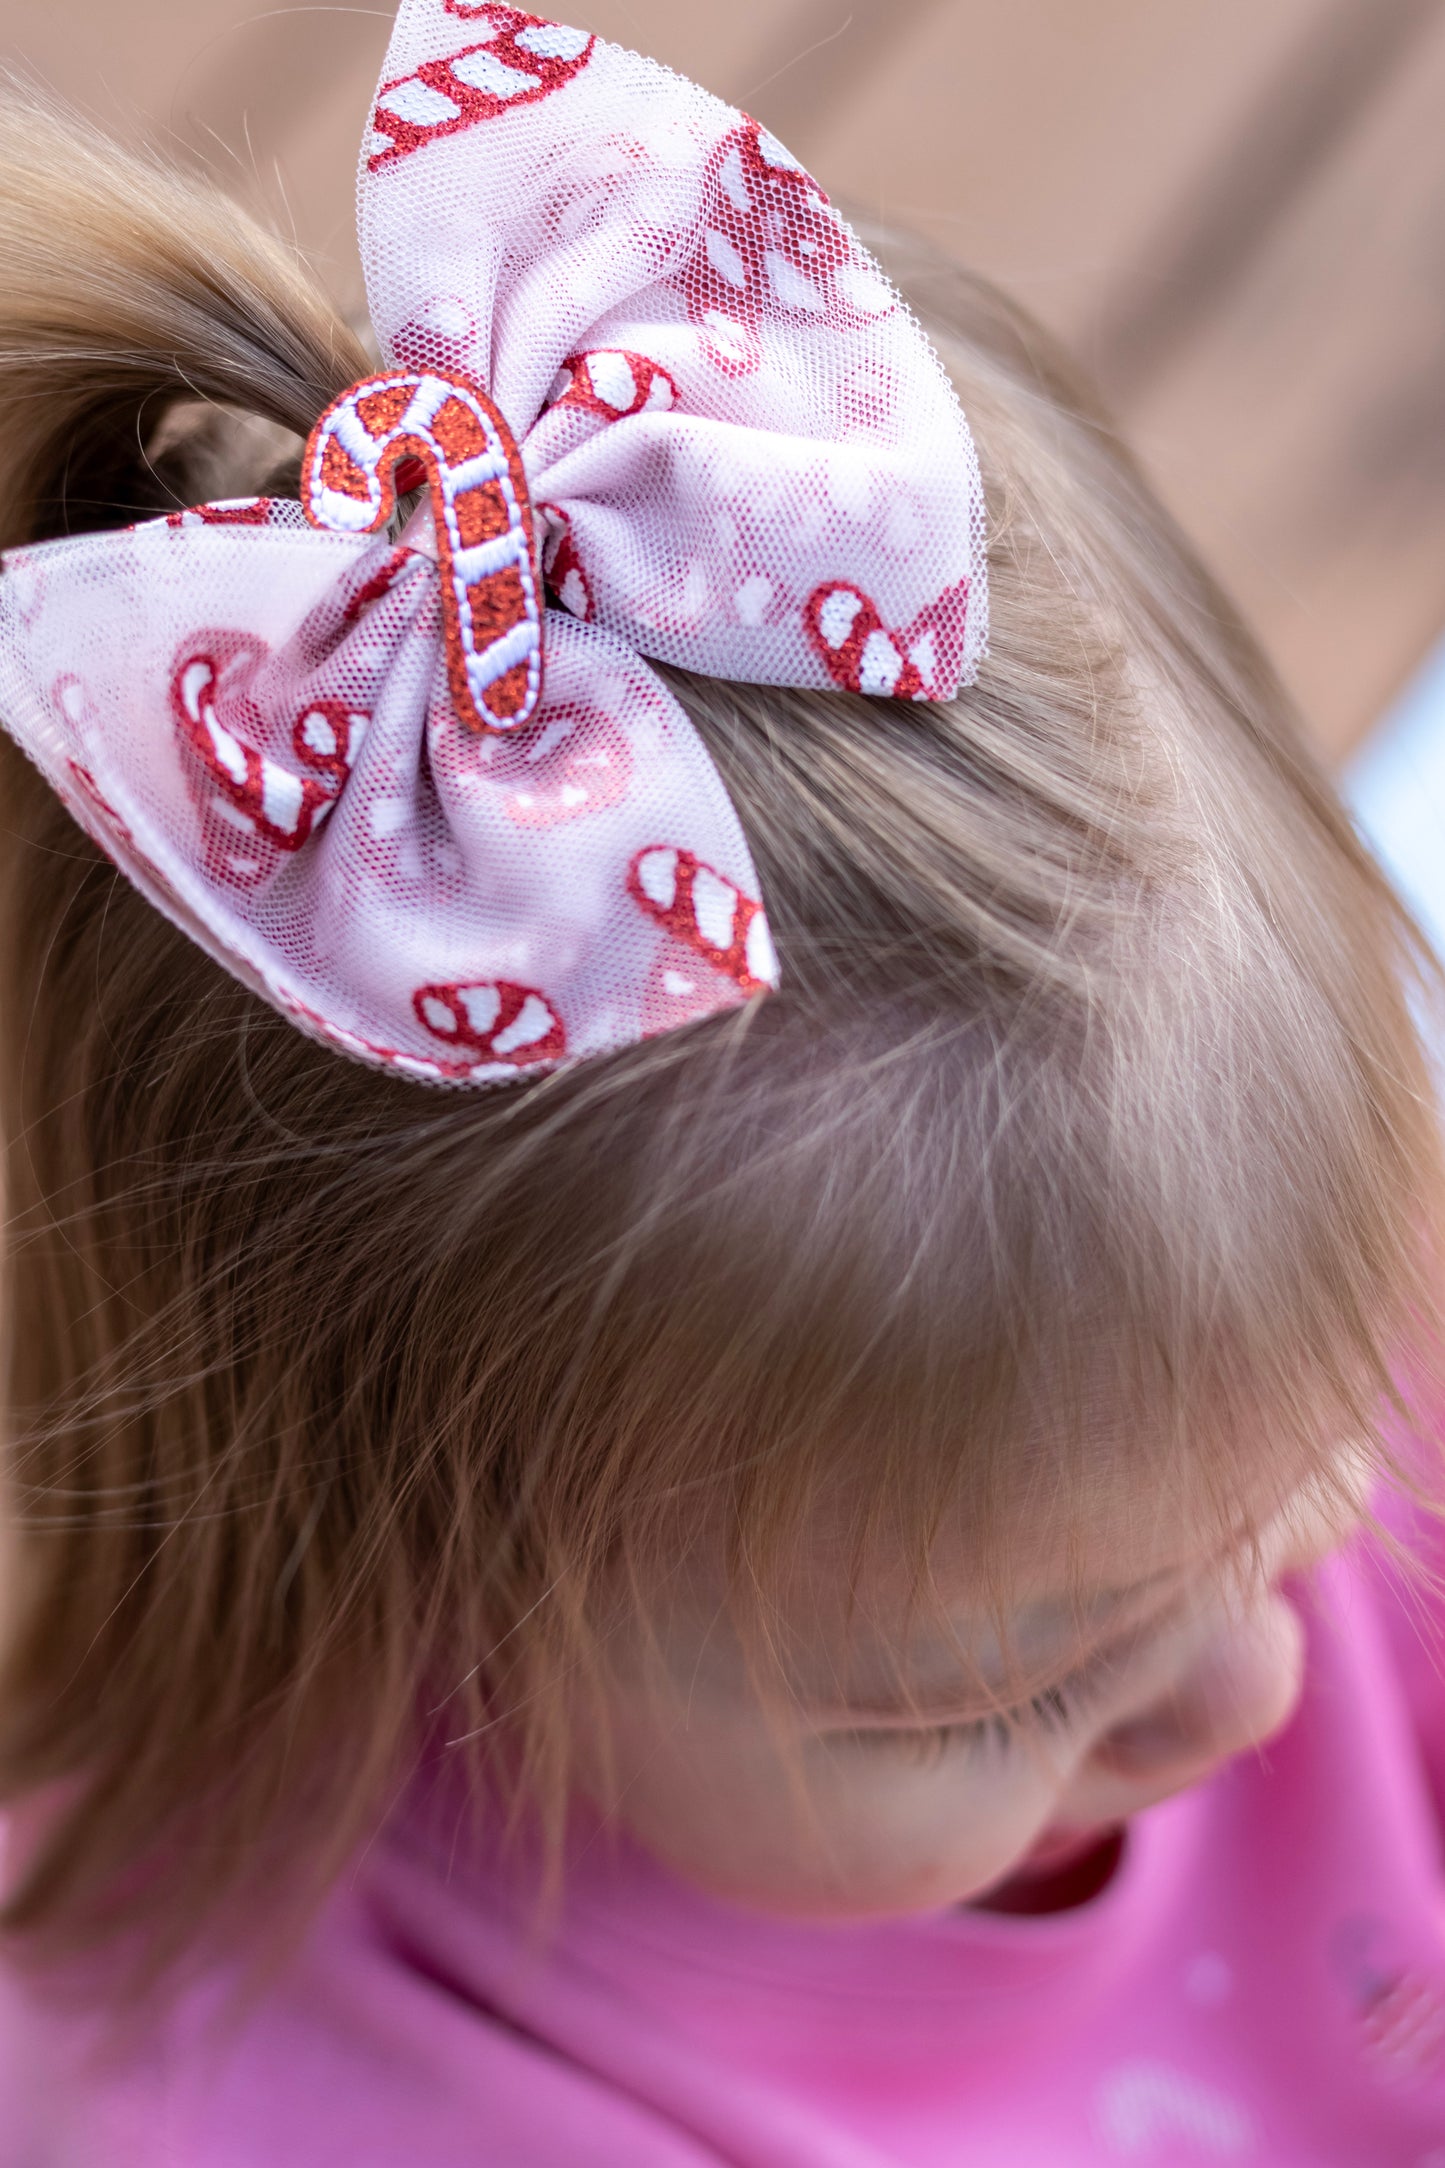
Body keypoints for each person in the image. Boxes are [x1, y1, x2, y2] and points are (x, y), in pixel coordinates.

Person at [0, 4, 1443, 2160]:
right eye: (1003, 1694)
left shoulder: (1255, 1276)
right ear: (415, 1572)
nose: (1259, 1689)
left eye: (1312, 1487)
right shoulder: (273, 2097)